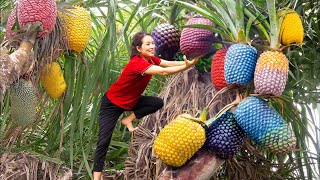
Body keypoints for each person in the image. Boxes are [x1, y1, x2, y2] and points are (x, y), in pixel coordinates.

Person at [93, 32, 202, 179]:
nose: (152, 46)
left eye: (152, 43)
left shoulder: (151, 59)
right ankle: (96, 177)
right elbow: (163, 72)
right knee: (104, 141)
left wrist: (189, 62)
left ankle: (128, 119)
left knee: (157, 103)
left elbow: (167, 63)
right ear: (139, 48)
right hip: (112, 104)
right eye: (148, 44)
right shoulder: (137, 63)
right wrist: (185, 67)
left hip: (132, 101)